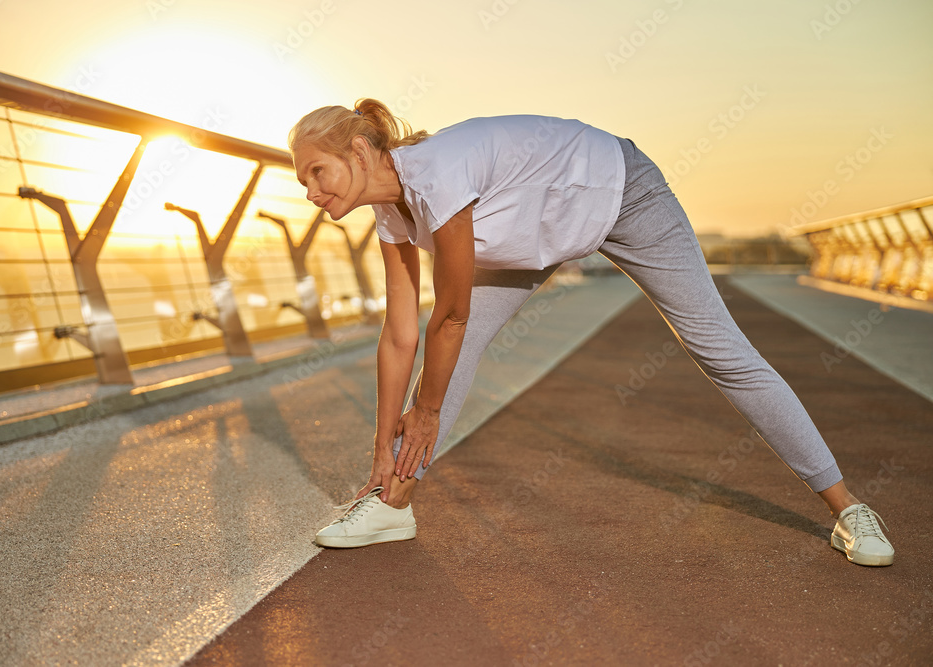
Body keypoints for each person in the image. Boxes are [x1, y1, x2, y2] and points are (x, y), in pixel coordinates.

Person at [289, 98, 894, 566]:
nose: (313, 193)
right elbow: (399, 337)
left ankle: (849, 509)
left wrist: (425, 414)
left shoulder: (436, 174)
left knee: (718, 349)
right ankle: (393, 503)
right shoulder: (390, 212)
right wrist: (380, 447)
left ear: (361, 152)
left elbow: (450, 313)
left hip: (621, 189)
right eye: (303, 184)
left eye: (319, 172)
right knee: (453, 354)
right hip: (535, 229)